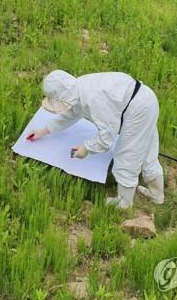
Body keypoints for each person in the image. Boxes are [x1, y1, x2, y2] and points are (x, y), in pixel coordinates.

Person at [28, 70, 164, 209]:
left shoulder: (93, 99)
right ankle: (157, 194)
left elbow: (107, 136)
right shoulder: (79, 88)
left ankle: (124, 202)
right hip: (146, 99)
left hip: (139, 110)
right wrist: (44, 131)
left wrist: (86, 148)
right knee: (147, 150)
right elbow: (72, 114)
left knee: (127, 154)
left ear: (62, 96)